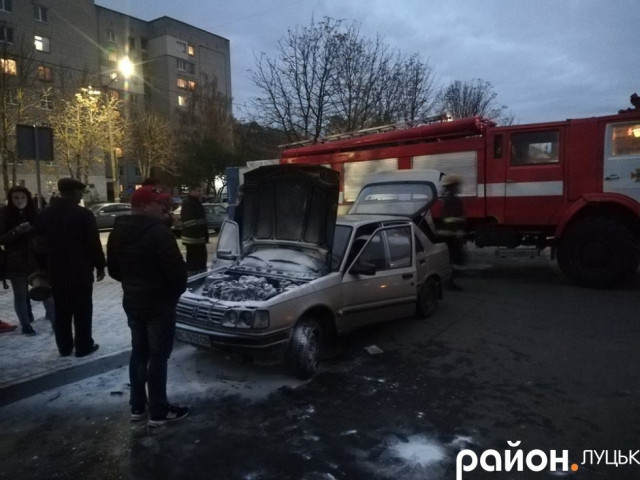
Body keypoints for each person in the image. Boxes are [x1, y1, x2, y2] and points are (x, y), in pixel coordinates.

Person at [107, 186, 189, 426]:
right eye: (157, 203)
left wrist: (133, 284)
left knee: (139, 352)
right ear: (143, 206)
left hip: (133, 301)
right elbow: (177, 274)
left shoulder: (117, 232)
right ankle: (159, 410)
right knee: (158, 357)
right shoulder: (159, 232)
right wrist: (172, 294)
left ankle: (137, 406)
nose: (162, 207)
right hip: (159, 304)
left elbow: (114, 270)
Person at [35, 178, 105, 356]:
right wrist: (100, 265)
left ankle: (64, 347)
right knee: (82, 311)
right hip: (80, 271)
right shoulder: (83, 214)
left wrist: (42, 267)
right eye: (79, 192)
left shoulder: (47, 214)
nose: (81, 195)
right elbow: (93, 243)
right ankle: (83, 346)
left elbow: (38, 243)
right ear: (72, 192)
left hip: (56, 271)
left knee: (61, 311)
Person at [0, 186, 55, 335]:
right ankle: (26, 325)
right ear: (11, 199)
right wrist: (16, 231)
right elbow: (2, 238)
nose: (19, 200)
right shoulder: (4, 214)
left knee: (46, 292)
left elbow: (44, 232)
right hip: (16, 261)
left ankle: (55, 322)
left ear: (28, 198)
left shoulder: (35, 212)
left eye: (23, 197)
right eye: (16, 198)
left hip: (36, 260)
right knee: (20, 295)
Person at [438, 174, 467, 291]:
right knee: (451, 259)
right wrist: (459, 227)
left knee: (449, 259)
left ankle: (448, 281)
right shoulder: (453, 200)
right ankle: (448, 282)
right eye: (457, 185)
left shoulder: (447, 198)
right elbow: (451, 218)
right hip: (450, 235)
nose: (459, 187)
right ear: (453, 186)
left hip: (447, 234)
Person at [180, 184, 208, 275]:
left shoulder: (195, 202)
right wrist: (201, 226)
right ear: (191, 191)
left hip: (197, 237)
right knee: (195, 261)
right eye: (198, 191)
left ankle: (199, 275)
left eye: (201, 191)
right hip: (193, 238)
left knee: (200, 260)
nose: (201, 193)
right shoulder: (188, 203)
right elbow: (189, 221)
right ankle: (194, 277)